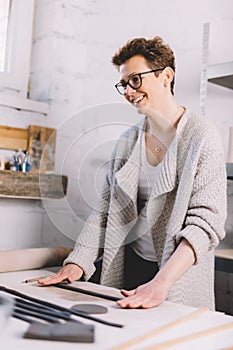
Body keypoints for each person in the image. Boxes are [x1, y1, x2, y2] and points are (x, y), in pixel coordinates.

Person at [39, 36, 227, 310]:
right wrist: (78, 262)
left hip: (176, 277)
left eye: (135, 80)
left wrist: (161, 283)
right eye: (124, 84)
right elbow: (105, 210)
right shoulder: (128, 142)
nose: (128, 91)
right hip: (132, 267)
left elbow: (205, 224)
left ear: (166, 76)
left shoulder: (202, 136)